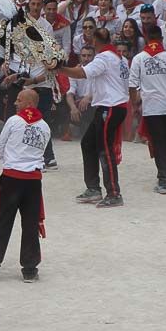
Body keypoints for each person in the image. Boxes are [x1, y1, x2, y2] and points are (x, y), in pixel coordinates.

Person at [0, 89, 50, 282]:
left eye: (19, 100)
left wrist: (4, 156)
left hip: (11, 178)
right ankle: (30, 269)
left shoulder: (13, 121)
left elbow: (0, 147)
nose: (15, 103)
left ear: (29, 103)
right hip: (33, 182)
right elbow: (42, 151)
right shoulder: (45, 126)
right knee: (30, 224)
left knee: (2, 222)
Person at [59, 27, 129, 208]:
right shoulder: (119, 58)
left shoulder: (104, 58)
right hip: (110, 106)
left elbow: (81, 74)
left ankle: (114, 193)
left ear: (96, 42)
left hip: (110, 107)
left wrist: (58, 68)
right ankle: (94, 189)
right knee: (88, 143)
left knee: (105, 149)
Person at [128, 26, 166, 194]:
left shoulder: (139, 59)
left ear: (146, 38)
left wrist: (134, 105)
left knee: (157, 141)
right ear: (161, 39)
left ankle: (164, 178)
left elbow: (132, 86)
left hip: (151, 107)